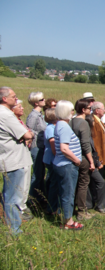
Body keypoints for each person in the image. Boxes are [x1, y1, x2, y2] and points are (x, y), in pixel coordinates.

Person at [0, 86, 33, 234]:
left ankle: (7, 222)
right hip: (14, 160)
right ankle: (14, 229)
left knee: (9, 193)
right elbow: (26, 135)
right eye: (13, 96)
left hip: (8, 157)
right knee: (13, 196)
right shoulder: (6, 115)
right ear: (4, 99)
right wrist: (28, 134)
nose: (16, 98)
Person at [52, 100, 83, 230]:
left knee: (64, 192)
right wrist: (76, 160)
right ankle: (68, 222)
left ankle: (65, 216)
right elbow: (64, 148)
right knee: (68, 193)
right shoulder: (64, 127)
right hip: (67, 165)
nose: (72, 112)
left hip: (61, 163)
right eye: (71, 110)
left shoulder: (59, 124)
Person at [70, 99, 95, 221]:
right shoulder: (83, 123)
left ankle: (73, 208)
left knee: (75, 183)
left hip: (72, 157)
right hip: (82, 157)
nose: (91, 110)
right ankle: (82, 211)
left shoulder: (71, 121)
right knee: (83, 184)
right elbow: (85, 144)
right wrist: (91, 161)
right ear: (83, 110)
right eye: (89, 108)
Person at [11, 100, 34, 221]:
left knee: (25, 181)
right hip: (17, 157)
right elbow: (27, 135)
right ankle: (18, 208)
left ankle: (23, 205)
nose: (22, 108)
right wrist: (28, 136)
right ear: (12, 109)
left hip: (25, 154)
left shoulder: (19, 121)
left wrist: (28, 136)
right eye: (19, 107)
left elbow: (29, 134)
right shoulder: (12, 121)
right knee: (19, 183)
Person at [26, 92, 47, 206]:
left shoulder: (39, 115)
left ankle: (40, 197)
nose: (44, 100)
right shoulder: (34, 116)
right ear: (36, 102)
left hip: (41, 146)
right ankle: (32, 199)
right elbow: (29, 130)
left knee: (41, 173)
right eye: (42, 99)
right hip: (36, 147)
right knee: (37, 174)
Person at [85, 114, 105, 214]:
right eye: (93, 121)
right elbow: (88, 149)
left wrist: (98, 161)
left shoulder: (90, 134)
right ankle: (97, 205)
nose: (95, 123)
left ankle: (94, 204)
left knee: (94, 182)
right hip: (88, 162)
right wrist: (95, 163)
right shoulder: (86, 135)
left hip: (92, 161)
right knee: (98, 182)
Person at [43, 108, 58, 214]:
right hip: (52, 159)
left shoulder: (53, 127)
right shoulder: (50, 128)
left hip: (52, 158)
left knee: (52, 182)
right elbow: (53, 147)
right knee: (54, 184)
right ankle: (51, 208)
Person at [91, 102, 105, 176]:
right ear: (97, 111)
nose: (104, 110)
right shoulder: (94, 122)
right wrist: (99, 158)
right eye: (103, 109)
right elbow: (96, 142)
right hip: (98, 157)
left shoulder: (99, 120)